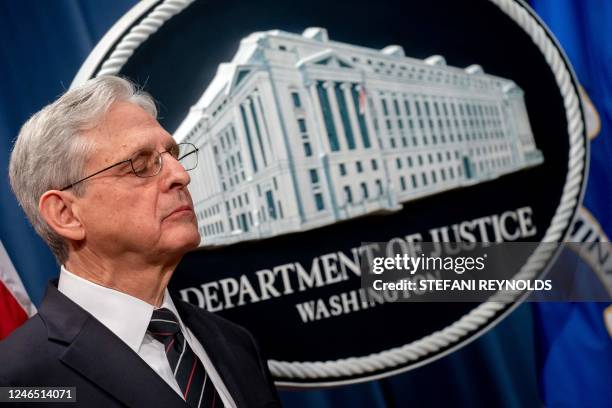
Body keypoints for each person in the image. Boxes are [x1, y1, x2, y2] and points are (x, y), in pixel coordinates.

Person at [0, 76, 281, 408]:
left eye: (173, 154)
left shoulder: (235, 343)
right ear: (65, 214)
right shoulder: (18, 382)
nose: (181, 175)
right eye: (140, 165)